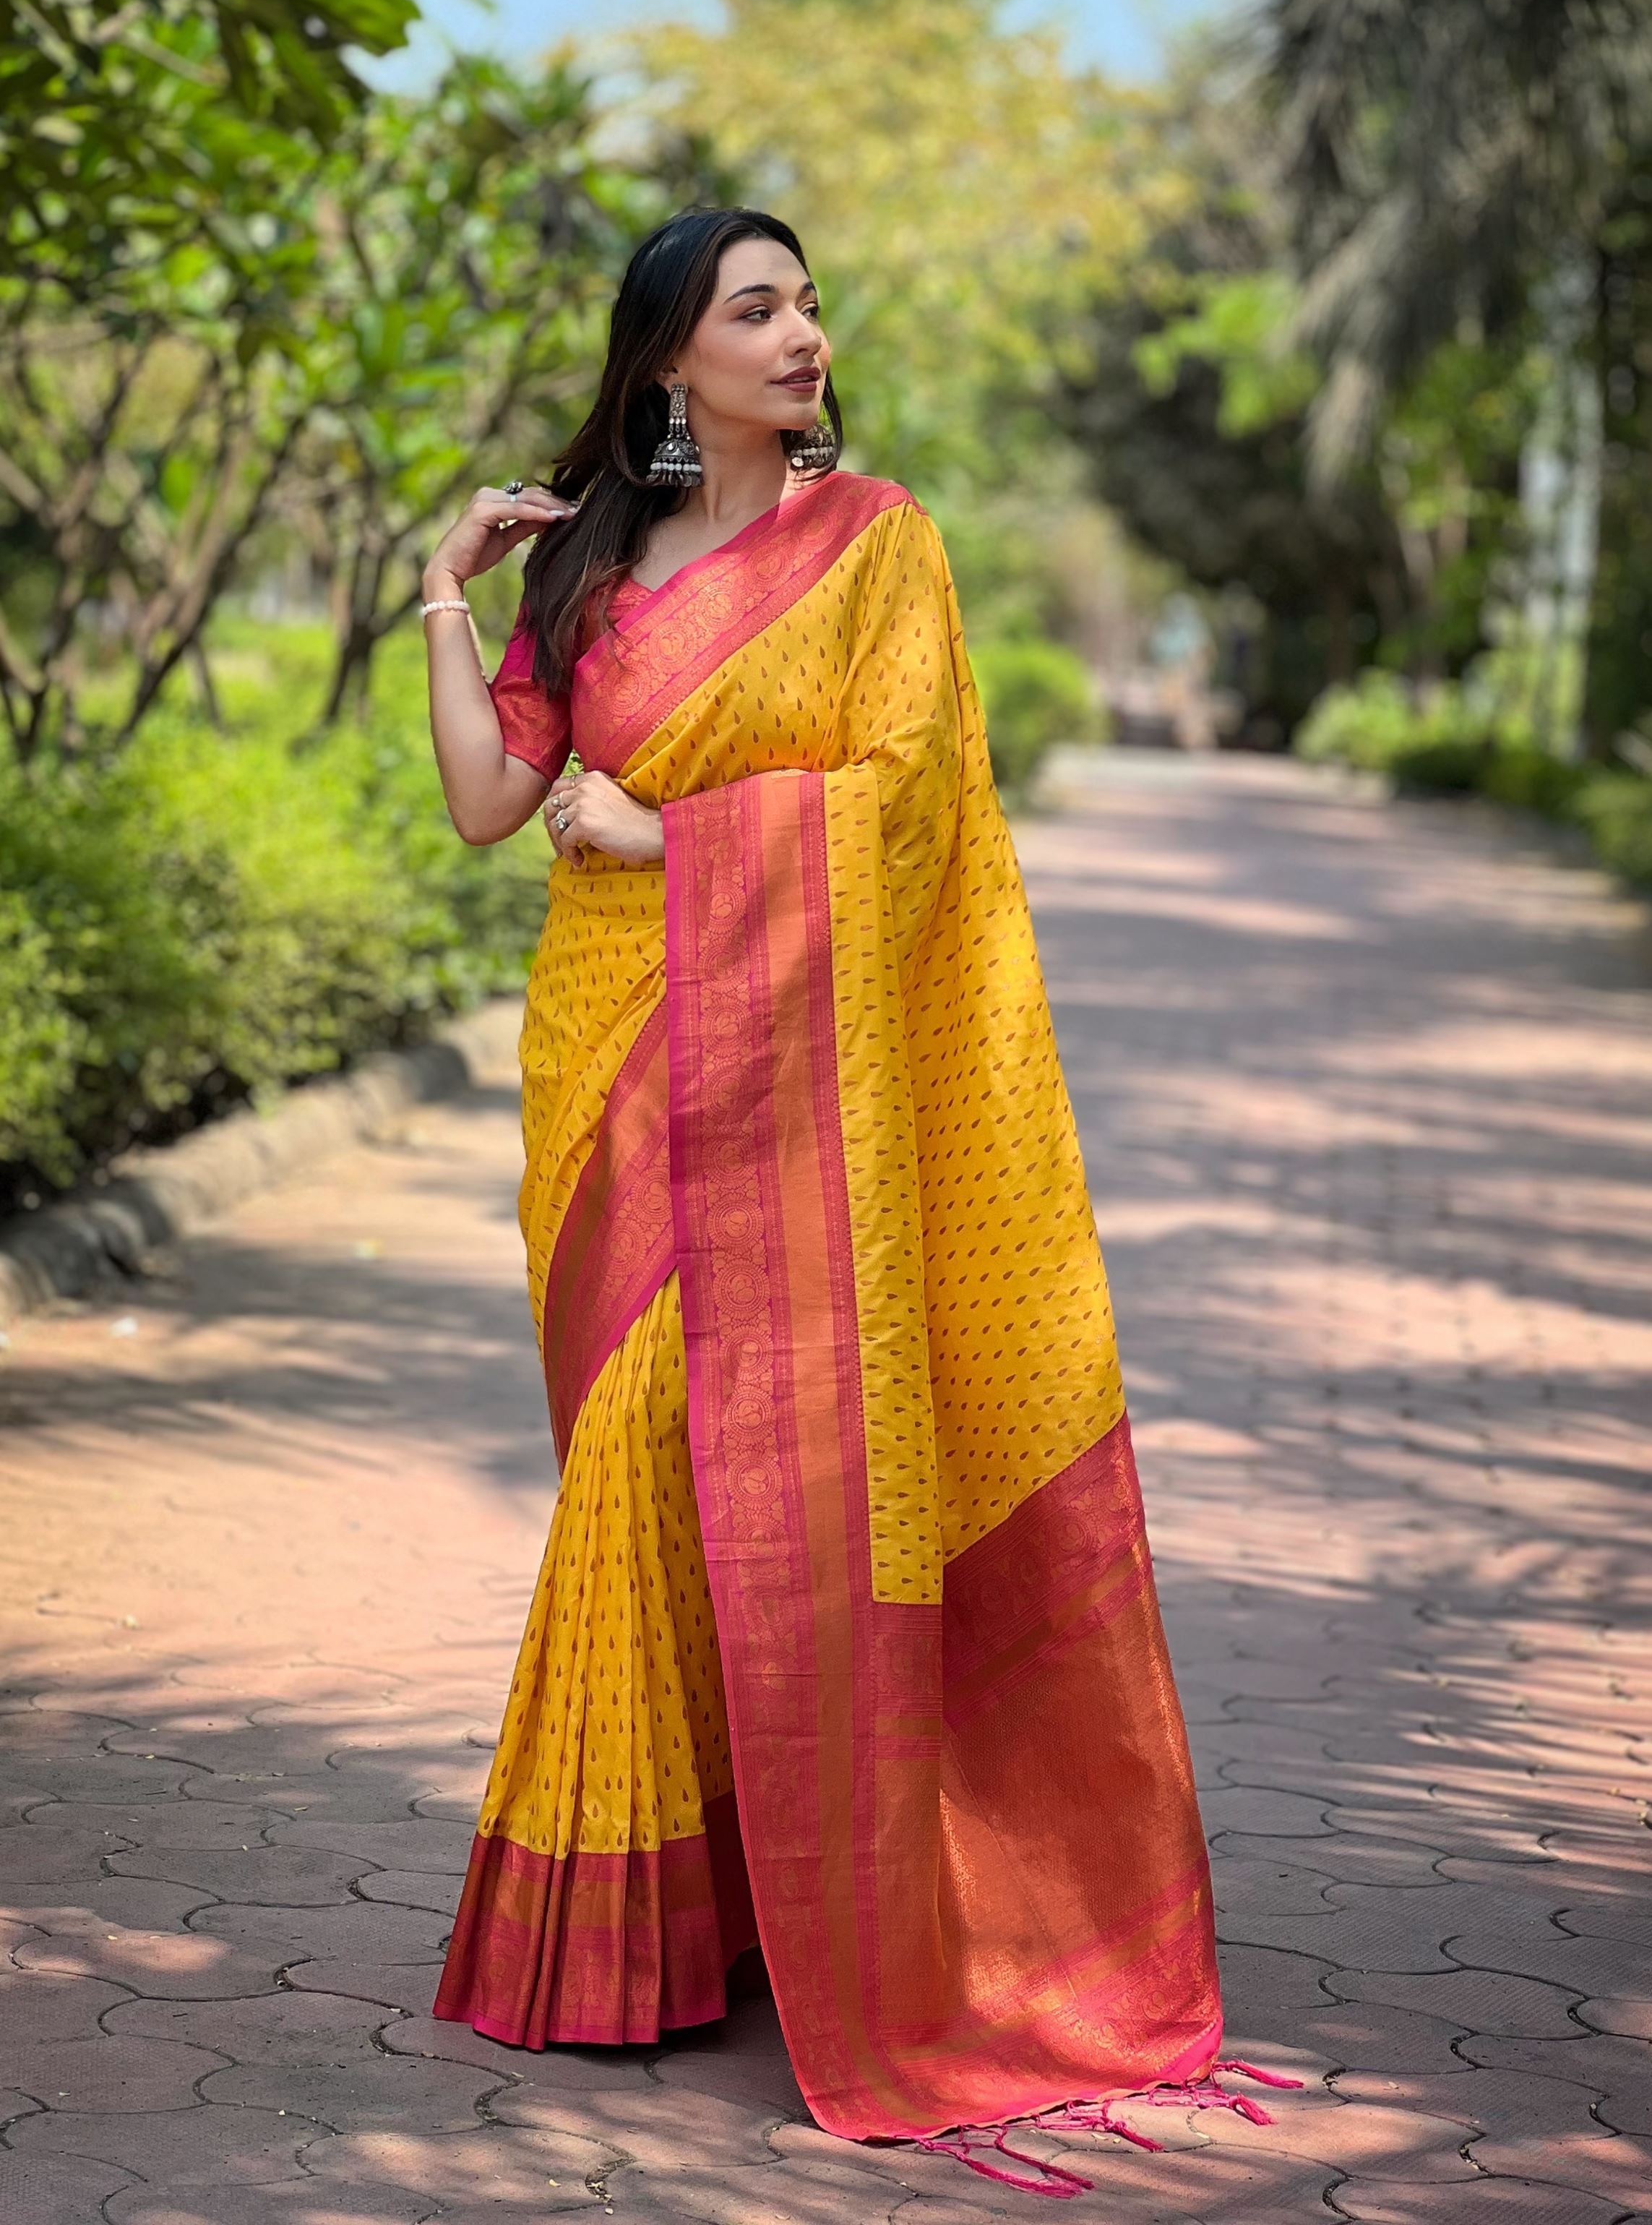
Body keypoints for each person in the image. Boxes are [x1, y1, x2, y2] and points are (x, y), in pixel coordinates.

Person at [420, 205, 1250, 2167]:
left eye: (807, 304)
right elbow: (484, 804)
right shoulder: (596, 571)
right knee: (651, 1456)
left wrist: (664, 846)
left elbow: (903, 811)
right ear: (666, 359)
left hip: (796, 1076)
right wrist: (445, 602)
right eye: (756, 306)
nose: (805, 332)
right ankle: (708, 1907)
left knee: (699, 1461)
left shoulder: (875, 542)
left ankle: (623, 1937)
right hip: (611, 1073)